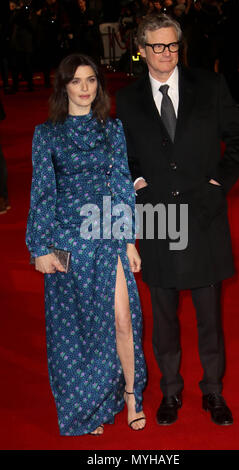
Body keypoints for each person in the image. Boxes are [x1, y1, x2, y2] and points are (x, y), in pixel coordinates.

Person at [116, 13, 239, 427]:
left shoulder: (209, 86)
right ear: (141, 49)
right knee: (165, 314)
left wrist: (217, 184)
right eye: (156, 46)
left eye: (172, 45)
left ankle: (213, 392)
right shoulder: (126, 99)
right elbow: (124, 154)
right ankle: (171, 392)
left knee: (210, 315)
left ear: (180, 46)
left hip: (204, 215)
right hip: (157, 216)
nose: (165, 54)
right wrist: (138, 181)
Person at [26, 53, 147, 436]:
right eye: (76, 81)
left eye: (91, 80)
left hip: (107, 234)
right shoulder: (46, 134)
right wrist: (39, 248)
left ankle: (131, 395)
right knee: (79, 330)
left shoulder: (112, 129)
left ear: (99, 85)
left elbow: (123, 185)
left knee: (123, 320)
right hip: (66, 241)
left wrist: (129, 239)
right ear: (63, 87)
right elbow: (43, 194)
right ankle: (92, 405)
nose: (85, 89)